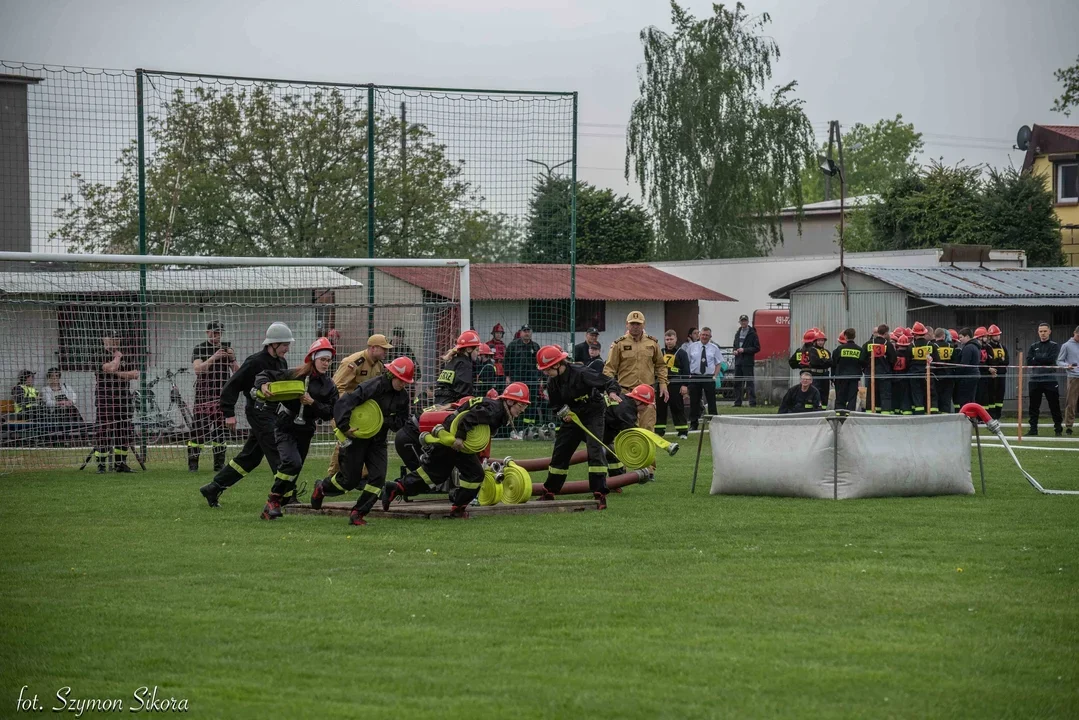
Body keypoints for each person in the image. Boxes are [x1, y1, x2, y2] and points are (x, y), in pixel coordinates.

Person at [383, 382, 531, 519]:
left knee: (437, 475)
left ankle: (397, 488)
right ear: (510, 401)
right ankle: (456, 508)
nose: (522, 411)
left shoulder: (495, 407)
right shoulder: (495, 410)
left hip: (453, 437)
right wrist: (459, 438)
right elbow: (469, 418)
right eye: (521, 406)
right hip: (454, 441)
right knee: (465, 475)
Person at [310, 357, 415, 525]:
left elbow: (401, 421)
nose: (403, 384)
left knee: (378, 478)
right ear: (392, 375)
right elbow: (345, 403)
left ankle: (358, 512)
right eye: (401, 380)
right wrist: (344, 426)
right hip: (358, 438)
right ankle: (322, 487)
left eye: (406, 382)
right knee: (349, 480)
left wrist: (383, 422)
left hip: (378, 441)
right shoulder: (373, 386)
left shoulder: (402, 397)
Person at [198, 322, 292, 508]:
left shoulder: (281, 362)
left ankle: (214, 487)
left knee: (250, 458)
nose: (287, 349)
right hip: (258, 413)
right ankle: (286, 496)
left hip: (271, 413)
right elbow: (231, 387)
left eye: (288, 345)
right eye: (284, 345)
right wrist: (228, 414)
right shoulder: (254, 361)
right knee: (277, 451)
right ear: (272, 344)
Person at [251, 338, 339, 519]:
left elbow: (331, 412)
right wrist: (263, 385)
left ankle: (274, 503)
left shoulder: (329, 386)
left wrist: (312, 403)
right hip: (286, 425)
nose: (326, 364)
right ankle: (273, 500)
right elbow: (265, 374)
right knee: (292, 463)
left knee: (294, 469)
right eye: (322, 359)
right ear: (313, 358)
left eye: (328, 360)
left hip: (306, 429)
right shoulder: (296, 374)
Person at [538, 345, 622, 509]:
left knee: (594, 450)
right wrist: (564, 413)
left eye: (547, 369)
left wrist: (612, 393)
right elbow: (555, 405)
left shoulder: (581, 372)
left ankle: (599, 494)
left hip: (593, 412)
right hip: (572, 417)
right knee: (561, 451)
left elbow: (608, 381)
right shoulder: (552, 382)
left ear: (557, 364)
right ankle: (550, 491)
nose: (545, 373)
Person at [325, 333, 392, 477]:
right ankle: (332, 475)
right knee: (345, 442)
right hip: (345, 410)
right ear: (373, 348)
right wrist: (350, 404)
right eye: (383, 348)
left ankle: (364, 477)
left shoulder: (379, 366)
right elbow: (336, 387)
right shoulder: (354, 362)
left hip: (364, 412)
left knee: (367, 443)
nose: (386, 352)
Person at [604, 311, 668, 432]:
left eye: (638, 324)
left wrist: (663, 383)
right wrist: (610, 390)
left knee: (648, 428)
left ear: (644, 324)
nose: (635, 326)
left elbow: (660, 365)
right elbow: (609, 369)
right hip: (626, 392)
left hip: (647, 394)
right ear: (627, 324)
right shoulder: (619, 344)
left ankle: (648, 451)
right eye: (632, 323)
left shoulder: (652, 343)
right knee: (626, 428)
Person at [189, 320, 239, 472]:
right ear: (208, 332)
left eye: (219, 333)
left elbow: (238, 373)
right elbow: (198, 369)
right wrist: (213, 358)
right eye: (214, 332)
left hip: (222, 396)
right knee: (199, 430)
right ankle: (193, 464)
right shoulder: (200, 349)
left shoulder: (227, 349)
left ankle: (219, 465)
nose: (217, 335)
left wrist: (232, 358)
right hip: (203, 396)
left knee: (220, 432)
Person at [94, 332, 139, 473]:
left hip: (123, 398)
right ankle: (101, 464)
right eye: (111, 338)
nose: (115, 341)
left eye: (117, 338)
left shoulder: (128, 354)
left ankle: (121, 463)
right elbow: (110, 368)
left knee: (124, 429)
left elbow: (135, 374)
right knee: (104, 429)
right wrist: (117, 358)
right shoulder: (98, 354)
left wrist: (117, 374)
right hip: (106, 397)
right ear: (104, 339)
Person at [504, 325, 542, 431]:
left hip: (532, 381)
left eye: (528, 331)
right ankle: (516, 428)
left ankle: (529, 428)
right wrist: (507, 376)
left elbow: (540, 363)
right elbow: (506, 361)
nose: (527, 333)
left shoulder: (535, 346)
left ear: (531, 333)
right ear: (521, 333)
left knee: (532, 403)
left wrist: (540, 378)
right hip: (517, 380)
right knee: (516, 403)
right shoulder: (513, 345)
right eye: (525, 331)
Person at [1027, 323, 1063, 436]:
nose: (1043, 333)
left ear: (1049, 332)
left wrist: (1037, 358)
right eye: (1040, 331)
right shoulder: (1033, 346)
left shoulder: (1054, 346)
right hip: (1035, 380)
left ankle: (1058, 429)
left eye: (1045, 331)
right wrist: (1042, 359)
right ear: (1038, 332)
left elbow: (1051, 359)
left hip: (1050, 380)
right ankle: (1033, 429)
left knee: (1054, 405)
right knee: (1033, 406)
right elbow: (1028, 361)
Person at [684, 327, 721, 430]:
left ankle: (714, 423)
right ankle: (693, 424)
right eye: (703, 334)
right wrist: (689, 375)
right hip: (695, 376)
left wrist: (715, 376)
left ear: (710, 337)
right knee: (694, 401)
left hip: (709, 377)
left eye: (707, 335)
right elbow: (687, 362)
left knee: (711, 401)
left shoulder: (714, 348)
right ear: (699, 335)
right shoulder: (692, 347)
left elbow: (718, 363)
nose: (704, 337)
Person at [656, 329, 690, 439]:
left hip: (676, 384)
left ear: (676, 339)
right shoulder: (660, 352)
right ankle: (659, 430)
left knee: (677, 407)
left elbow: (686, 370)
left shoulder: (682, 353)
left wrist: (684, 385)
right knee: (660, 407)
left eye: (671, 339)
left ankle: (683, 431)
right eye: (667, 339)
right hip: (662, 384)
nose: (669, 341)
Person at [435, 330, 482, 406]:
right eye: (477, 350)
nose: (478, 353)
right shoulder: (464, 364)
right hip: (450, 405)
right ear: (469, 349)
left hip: (439, 402)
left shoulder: (453, 361)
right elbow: (464, 393)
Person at [863, 324, 896, 414]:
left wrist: (867, 368)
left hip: (871, 374)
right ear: (885, 333)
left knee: (871, 395)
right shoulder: (888, 345)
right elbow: (893, 359)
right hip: (885, 374)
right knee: (885, 396)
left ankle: (870, 413)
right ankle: (885, 414)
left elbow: (862, 358)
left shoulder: (868, 344)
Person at [831, 328, 866, 412]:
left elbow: (833, 364)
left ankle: (839, 416)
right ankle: (850, 415)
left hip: (841, 377)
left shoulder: (839, 349)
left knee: (840, 398)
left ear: (845, 336)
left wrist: (832, 378)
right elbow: (863, 363)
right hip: (854, 378)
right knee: (852, 398)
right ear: (854, 336)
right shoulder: (859, 350)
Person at [731, 314, 760, 408]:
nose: (743, 322)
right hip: (738, 361)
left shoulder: (752, 334)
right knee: (737, 383)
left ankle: (752, 402)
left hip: (747, 362)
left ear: (748, 322)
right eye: (742, 321)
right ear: (739, 322)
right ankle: (737, 402)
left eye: (745, 321)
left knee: (749, 383)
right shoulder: (737, 333)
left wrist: (745, 350)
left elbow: (757, 348)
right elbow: (735, 345)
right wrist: (735, 350)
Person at [909, 322, 934, 415]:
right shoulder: (931, 345)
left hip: (914, 374)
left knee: (917, 394)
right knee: (929, 393)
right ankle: (930, 413)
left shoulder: (911, 346)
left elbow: (908, 361)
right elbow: (936, 360)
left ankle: (919, 414)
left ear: (914, 334)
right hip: (928, 374)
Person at [1058, 325, 1079, 435]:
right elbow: (1059, 361)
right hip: (1073, 377)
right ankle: (1069, 426)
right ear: (1074, 333)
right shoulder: (1066, 346)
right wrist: (1068, 365)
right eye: (1078, 335)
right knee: (1071, 402)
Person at [984, 324, 1008, 420]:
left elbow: (1007, 361)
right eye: (995, 335)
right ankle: (991, 415)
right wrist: (1000, 360)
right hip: (992, 375)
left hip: (1002, 374)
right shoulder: (987, 347)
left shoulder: (1003, 347)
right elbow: (991, 361)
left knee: (1000, 395)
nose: (997, 336)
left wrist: (999, 360)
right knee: (991, 394)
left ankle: (998, 415)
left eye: (998, 335)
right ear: (990, 336)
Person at [955, 328, 982, 408]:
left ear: (967, 336)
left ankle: (967, 416)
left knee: (964, 399)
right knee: (971, 398)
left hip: (967, 376)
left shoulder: (968, 348)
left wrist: (956, 374)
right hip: (974, 374)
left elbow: (964, 364)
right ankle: (972, 417)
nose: (959, 340)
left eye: (961, 337)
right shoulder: (976, 347)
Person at [932, 328, 956, 414]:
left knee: (936, 396)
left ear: (935, 336)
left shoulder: (933, 346)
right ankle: (946, 414)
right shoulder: (951, 347)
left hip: (937, 375)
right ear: (944, 336)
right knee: (946, 398)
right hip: (949, 375)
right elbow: (955, 362)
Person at [891, 332, 913, 415]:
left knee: (895, 397)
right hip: (905, 379)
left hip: (895, 379)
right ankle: (906, 411)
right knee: (905, 397)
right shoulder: (908, 354)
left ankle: (896, 412)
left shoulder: (894, 354)